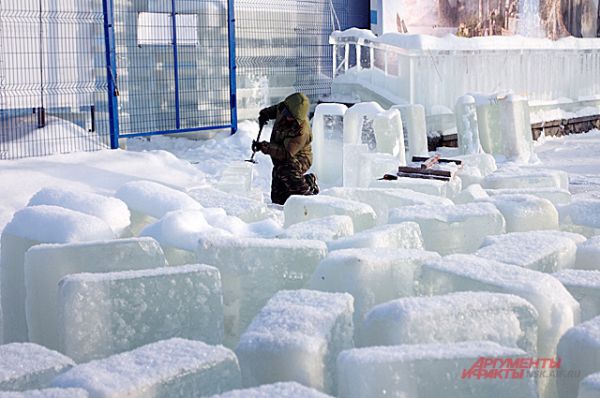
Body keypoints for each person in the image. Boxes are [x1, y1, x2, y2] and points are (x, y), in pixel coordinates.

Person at [253, 92, 319, 205]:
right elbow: (275, 110)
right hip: (282, 156)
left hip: (299, 157)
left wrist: (265, 147)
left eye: (292, 117)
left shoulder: (301, 130)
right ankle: (293, 193)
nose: (288, 117)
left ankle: (308, 190)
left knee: (284, 169)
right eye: (287, 113)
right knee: (279, 199)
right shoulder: (285, 108)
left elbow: (287, 153)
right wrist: (265, 114)